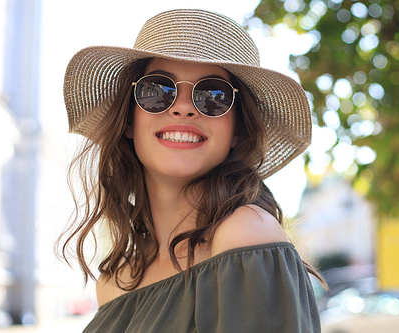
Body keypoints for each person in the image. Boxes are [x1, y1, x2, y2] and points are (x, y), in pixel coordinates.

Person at [60, 8, 324, 333]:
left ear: (237, 130)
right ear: (129, 119)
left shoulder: (244, 236)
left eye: (213, 95)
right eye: (156, 90)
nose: (183, 107)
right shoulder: (114, 281)